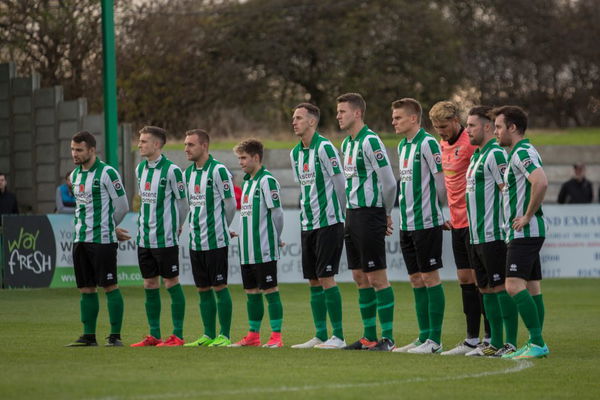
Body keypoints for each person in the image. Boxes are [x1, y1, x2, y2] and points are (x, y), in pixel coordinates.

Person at [337, 93, 397, 352]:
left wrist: (385, 213)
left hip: (370, 213)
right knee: (360, 277)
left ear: (357, 113)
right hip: (352, 214)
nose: (338, 116)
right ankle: (368, 337)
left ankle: (389, 338)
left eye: (342, 111)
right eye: (338, 112)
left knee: (377, 278)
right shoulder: (346, 144)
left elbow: (390, 182)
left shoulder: (371, 141)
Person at [428, 101, 489, 355]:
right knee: (465, 279)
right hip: (457, 223)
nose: (440, 131)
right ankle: (471, 339)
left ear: (456, 121)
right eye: (436, 127)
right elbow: (447, 185)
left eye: (443, 126)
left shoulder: (470, 143)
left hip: (476, 223)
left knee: (483, 282)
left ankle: (490, 338)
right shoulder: (443, 144)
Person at [289, 103, 347, 349]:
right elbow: (303, 188)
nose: (294, 122)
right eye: (293, 118)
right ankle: (320, 334)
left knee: (326, 277)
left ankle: (339, 336)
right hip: (308, 223)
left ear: (312, 122)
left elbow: (340, 183)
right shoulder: (295, 153)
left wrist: (344, 216)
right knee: (313, 279)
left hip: (329, 222)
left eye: (299, 118)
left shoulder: (325, 148)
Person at [391, 98, 447, 354]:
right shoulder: (403, 146)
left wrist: (440, 210)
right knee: (415, 279)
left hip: (427, 222)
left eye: (398, 117)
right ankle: (423, 336)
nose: (394, 122)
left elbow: (441, 181)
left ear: (414, 118)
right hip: (408, 223)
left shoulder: (428, 143)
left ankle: (434, 340)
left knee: (429, 277)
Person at [463, 106, 519, 357]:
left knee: (499, 289)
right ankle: (493, 342)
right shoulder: (476, 156)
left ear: (487, 127)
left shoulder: (496, 155)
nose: (467, 130)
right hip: (475, 236)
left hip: (493, 235)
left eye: (472, 125)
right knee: (484, 289)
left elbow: (507, 190)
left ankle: (510, 342)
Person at [494, 105, 549, 359]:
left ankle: (536, 342)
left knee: (513, 286)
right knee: (533, 287)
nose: (496, 132)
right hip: (525, 232)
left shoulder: (522, 152)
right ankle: (535, 341)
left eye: (498, 126)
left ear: (512, 128)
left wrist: (526, 216)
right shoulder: (517, 152)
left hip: (524, 232)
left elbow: (540, 181)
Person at [65, 131, 129, 347]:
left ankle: (115, 336)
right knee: (85, 288)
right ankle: (88, 335)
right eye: (73, 149)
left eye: (79, 150)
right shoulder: (74, 176)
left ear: (92, 150)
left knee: (110, 285)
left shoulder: (107, 173)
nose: (74, 154)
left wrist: (109, 227)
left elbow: (122, 206)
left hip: (102, 240)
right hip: (80, 239)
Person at [130, 126, 189, 347]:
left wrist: (178, 225)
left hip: (165, 238)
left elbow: (183, 204)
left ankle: (178, 335)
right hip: (144, 238)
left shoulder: (173, 171)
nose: (139, 144)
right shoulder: (140, 169)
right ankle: (154, 335)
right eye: (140, 140)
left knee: (171, 282)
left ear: (156, 144)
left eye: (144, 141)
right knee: (149, 283)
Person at [182, 129, 236, 348]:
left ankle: (224, 335)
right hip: (195, 241)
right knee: (202, 289)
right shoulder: (188, 173)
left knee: (219, 286)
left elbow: (230, 205)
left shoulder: (218, 170)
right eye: (186, 144)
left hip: (215, 240)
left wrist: (223, 227)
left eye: (191, 145)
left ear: (204, 146)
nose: (186, 149)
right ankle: (207, 334)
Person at [230, 139, 285, 348]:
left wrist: (275, 238)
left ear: (256, 157)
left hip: (263, 249)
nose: (241, 162)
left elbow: (277, 214)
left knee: (270, 291)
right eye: (239, 158)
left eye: (244, 158)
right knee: (251, 293)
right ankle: (253, 336)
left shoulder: (267, 181)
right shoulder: (247, 182)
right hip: (246, 250)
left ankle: (276, 337)